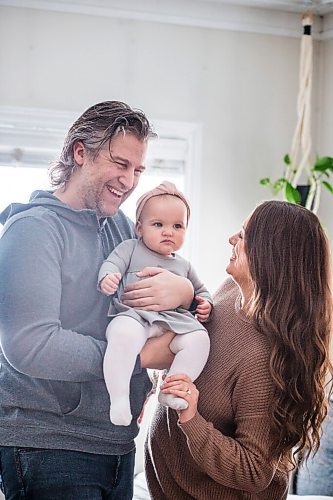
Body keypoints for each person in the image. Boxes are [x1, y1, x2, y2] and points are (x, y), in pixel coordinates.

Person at [0, 101, 195, 500]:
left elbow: (158, 300)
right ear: (79, 153)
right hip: (50, 445)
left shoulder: (122, 226)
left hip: (115, 442)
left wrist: (186, 292)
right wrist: (138, 358)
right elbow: (30, 346)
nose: (129, 180)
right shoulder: (32, 231)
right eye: (119, 163)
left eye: (138, 170)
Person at [145, 200, 333, 500]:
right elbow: (194, 353)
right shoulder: (232, 292)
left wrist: (191, 418)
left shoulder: (264, 359)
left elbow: (255, 470)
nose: (232, 238)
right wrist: (152, 384)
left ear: (269, 255)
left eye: (244, 235)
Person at [98, 181, 212, 426]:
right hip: (135, 316)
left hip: (172, 323)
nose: (168, 232)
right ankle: (118, 397)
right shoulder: (130, 248)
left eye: (177, 226)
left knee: (199, 340)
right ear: (139, 228)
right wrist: (107, 277)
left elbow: (201, 292)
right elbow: (111, 263)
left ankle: (171, 387)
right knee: (123, 336)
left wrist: (204, 304)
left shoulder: (184, 265)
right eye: (158, 224)